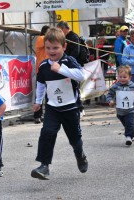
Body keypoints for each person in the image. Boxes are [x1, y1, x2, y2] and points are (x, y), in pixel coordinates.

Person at [31, 27, 88, 180]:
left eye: (55, 47)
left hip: (70, 108)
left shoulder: (69, 61)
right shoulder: (43, 66)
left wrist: (62, 69)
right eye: (48, 48)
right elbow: (41, 85)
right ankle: (44, 166)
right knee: (47, 133)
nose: (51, 51)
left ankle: (80, 155)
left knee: (75, 139)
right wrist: (38, 102)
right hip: (53, 108)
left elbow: (82, 75)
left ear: (64, 47)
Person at [106, 65, 134, 145]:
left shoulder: (133, 86)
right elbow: (109, 94)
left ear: (129, 77)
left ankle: (128, 137)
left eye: (124, 77)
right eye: (120, 77)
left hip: (130, 110)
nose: (122, 79)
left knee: (130, 123)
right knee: (127, 124)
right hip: (120, 111)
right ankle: (129, 131)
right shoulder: (115, 86)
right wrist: (110, 101)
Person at [34, 25, 50, 124]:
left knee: (49, 94)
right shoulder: (41, 38)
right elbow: (48, 41)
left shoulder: (47, 40)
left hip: (48, 69)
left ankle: (48, 114)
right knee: (39, 93)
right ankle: (37, 115)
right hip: (41, 69)